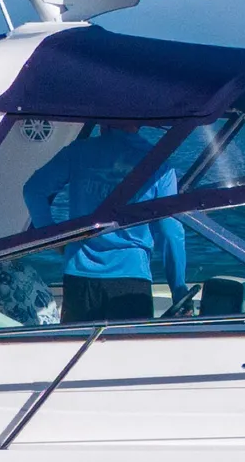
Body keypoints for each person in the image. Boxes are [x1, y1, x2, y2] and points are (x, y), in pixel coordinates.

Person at [23, 122, 188, 323]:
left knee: (77, 348)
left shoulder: (78, 151)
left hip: (79, 277)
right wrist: (178, 289)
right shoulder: (159, 164)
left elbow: (33, 190)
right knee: (127, 353)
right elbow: (170, 231)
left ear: (104, 120)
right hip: (131, 279)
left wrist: (53, 239)